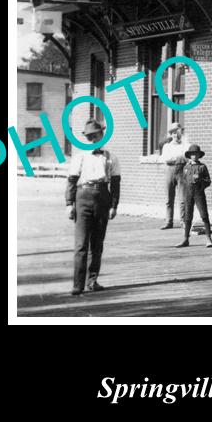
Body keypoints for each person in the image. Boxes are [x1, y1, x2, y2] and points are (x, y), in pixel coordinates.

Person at [66, 119, 121, 295]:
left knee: (97, 243)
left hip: (102, 197)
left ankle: (92, 281)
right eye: (89, 137)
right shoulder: (80, 157)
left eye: (95, 136)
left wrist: (113, 205)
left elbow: (116, 183)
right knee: (81, 244)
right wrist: (69, 204)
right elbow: (72, 181)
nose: (93, 140)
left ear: (102, 136)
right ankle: (78, 284)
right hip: (83, 197)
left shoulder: (111, 157)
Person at [175, 144, 212, 248]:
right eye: (192, 154)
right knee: (188, 217)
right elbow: (183, 179)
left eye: (196, 154)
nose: (194, 156)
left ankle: (209, 239)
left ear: (199, 155)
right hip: (188, 193)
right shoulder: (186, 167)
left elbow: (208, 181)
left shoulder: (202, 167)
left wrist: (200, 181)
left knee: (204, 215)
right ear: (189, 155)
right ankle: (185, 239)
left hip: (199, 192)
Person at [159, 124, 187, 229]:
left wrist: (177, 158)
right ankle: (168, 221)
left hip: (181, 171)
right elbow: (165, 159)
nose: (176, 135)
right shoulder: (167, 146)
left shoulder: (184, 145)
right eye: (174, 132)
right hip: (169, 171)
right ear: (171, 134)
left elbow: (185, 158)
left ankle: (183, 221)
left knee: (182, 198)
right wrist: (177, 158)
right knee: (168, 198)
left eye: (178, 132)